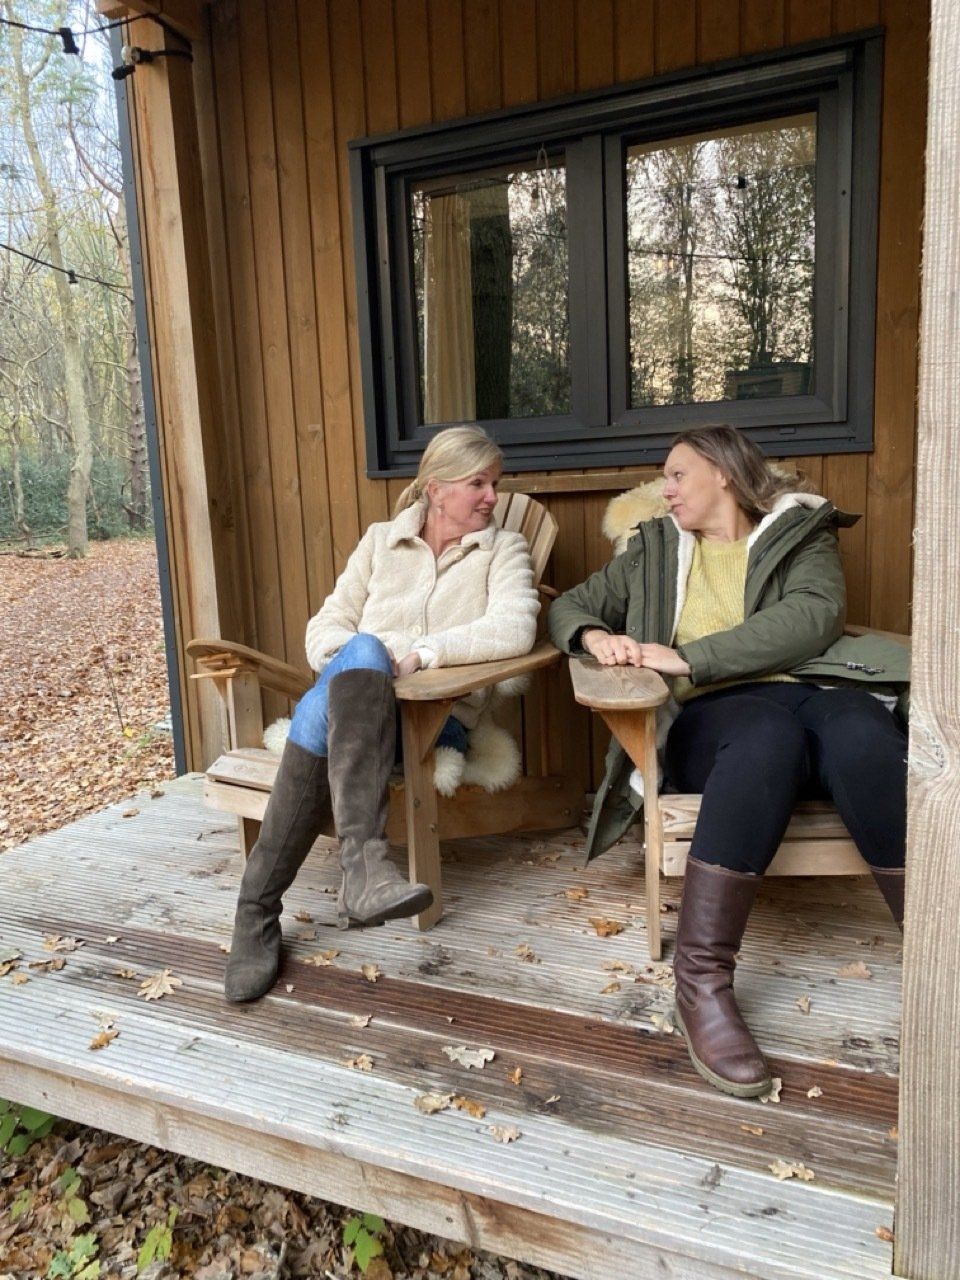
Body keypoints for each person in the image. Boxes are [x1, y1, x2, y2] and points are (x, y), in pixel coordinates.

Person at [549, 425, 909, 1098]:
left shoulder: (802, 535)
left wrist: (689, 656)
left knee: (865, 733)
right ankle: (701, 982)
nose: (666, 489)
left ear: (721, 472)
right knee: (768, 735)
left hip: (814, 693)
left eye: (677, 473)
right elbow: (570, 606)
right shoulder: (653, 550)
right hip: (716, 719)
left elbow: (814, 616)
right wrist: (596, 636)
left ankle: (939, 948)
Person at [226, 425, 539, 1003]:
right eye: (478, 484)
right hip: (353, 708)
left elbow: (515, 627)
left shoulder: (505, 550)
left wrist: (422, 654)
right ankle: (362, 872)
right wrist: (361, 663)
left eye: (495, 484)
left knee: (337, 690)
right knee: (361, 651)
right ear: (436, 488)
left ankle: (257, 912)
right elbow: (326, 627)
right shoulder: (379, 543)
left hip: (429, 721)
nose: (492, 497)